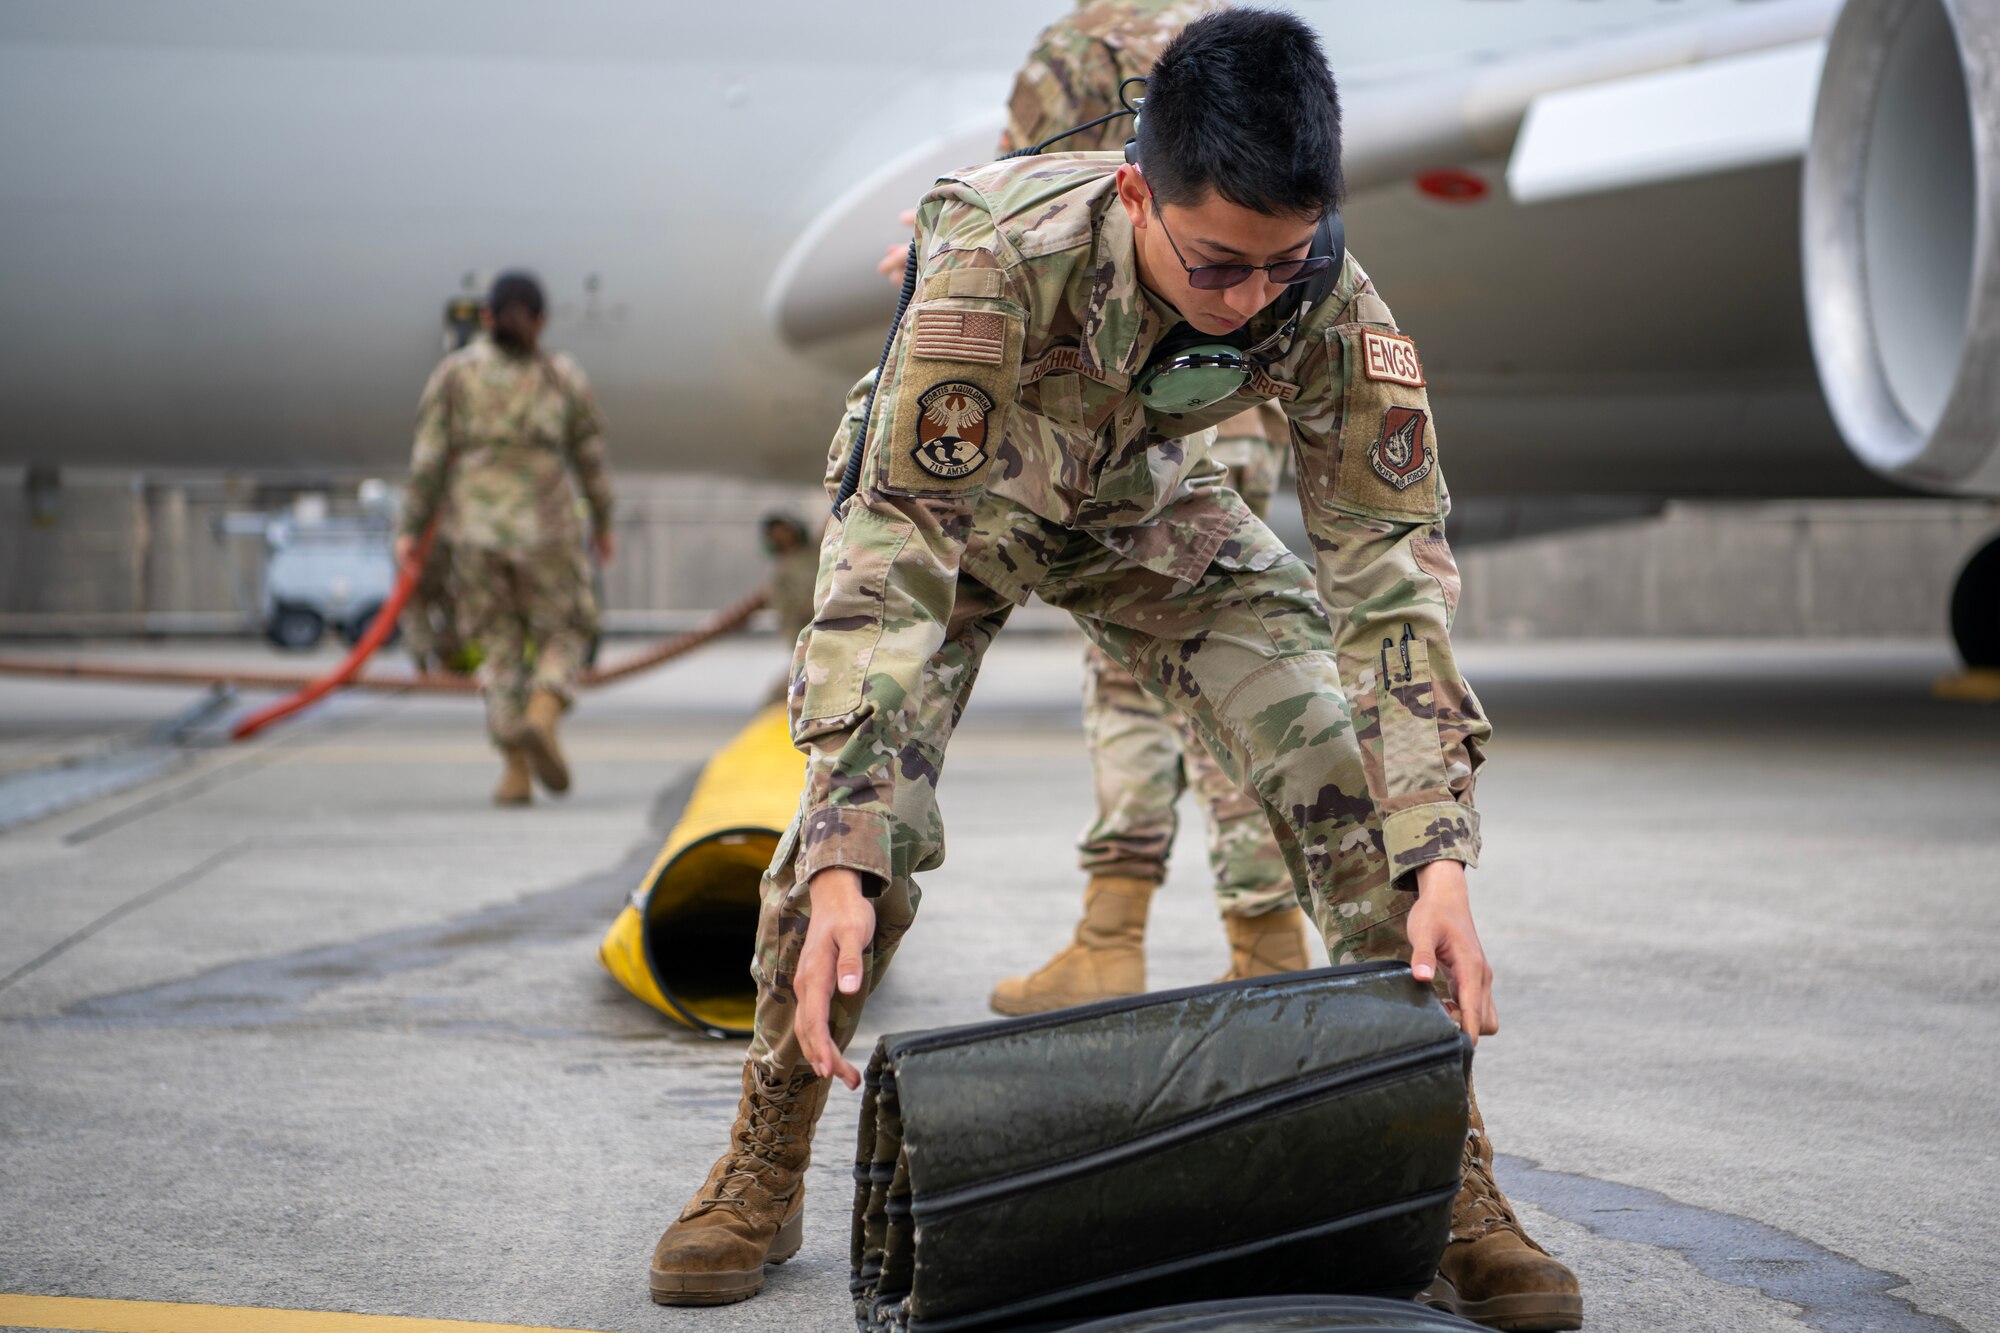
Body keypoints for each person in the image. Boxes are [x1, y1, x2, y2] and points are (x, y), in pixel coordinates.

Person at [648, 13, 1580, 1330]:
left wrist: (1436, 848)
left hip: (1142, 502)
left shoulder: (1326, 298)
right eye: (1216, 267)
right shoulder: (997, 256)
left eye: (1281, 265)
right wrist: (853, 835)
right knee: (853, 845)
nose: (1252, 298)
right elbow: (898, 541)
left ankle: (1458, 1186)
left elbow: (1387, 571)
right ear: (1137, 190)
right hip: (959, 509)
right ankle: (765, 1157)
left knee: (1347, 782)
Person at [985, 0, 1313, 1017]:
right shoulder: (1238, 48)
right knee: (1235, 673)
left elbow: (1032, 199)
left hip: (1132, 419)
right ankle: (1263, 940)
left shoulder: (1083, 45)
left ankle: (1115, 938)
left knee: (1136, 675)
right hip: (1236, 406)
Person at [397, 271, 616, 806]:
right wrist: (604, 523)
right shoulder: (561, 376)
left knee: (497, 643)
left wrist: (409, 530)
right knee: (568, 630)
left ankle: (514, 773)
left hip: (474, 532)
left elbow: (427, 462)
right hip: (547, 528)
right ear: (541, 321)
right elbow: (591, 460)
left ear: (487, 317)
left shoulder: (454, 375)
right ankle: (543, 713)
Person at [760, 512, 820, 704]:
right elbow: (786, 613)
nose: (781, 536)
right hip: (805, 641)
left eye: (784, 530)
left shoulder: (817, 554)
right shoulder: (780, 573)